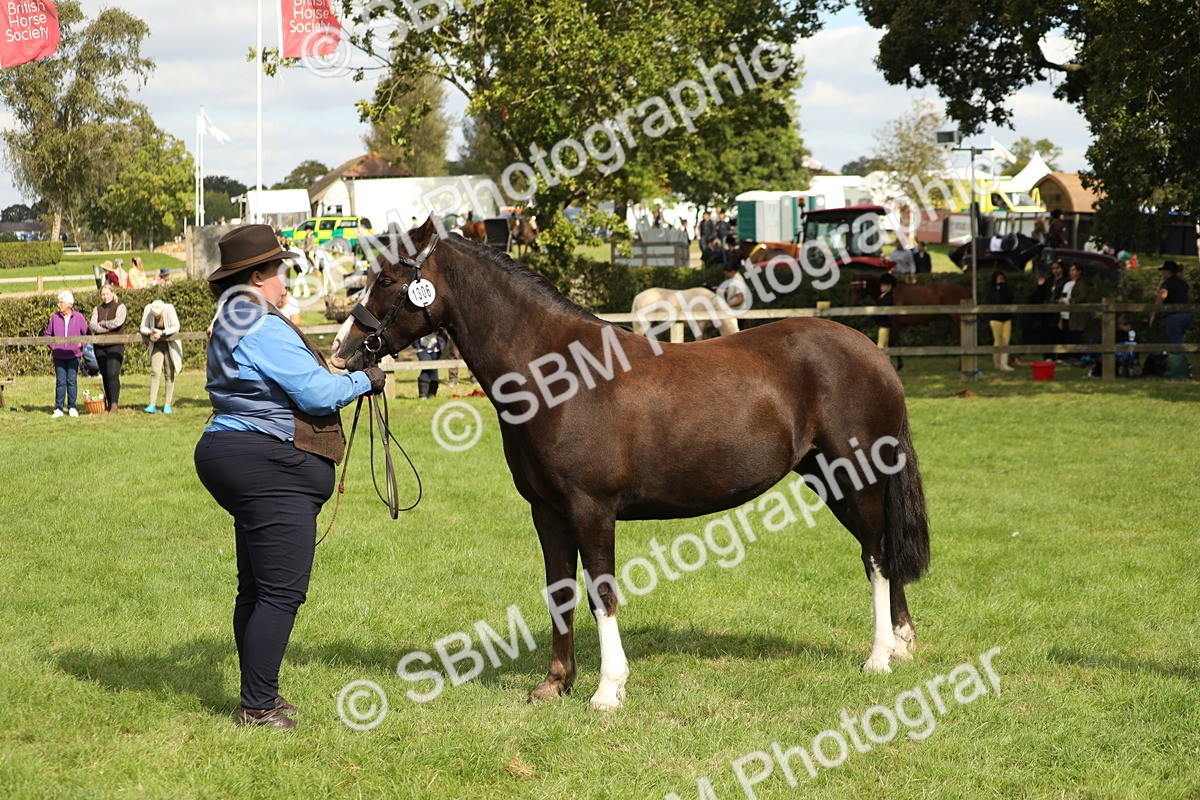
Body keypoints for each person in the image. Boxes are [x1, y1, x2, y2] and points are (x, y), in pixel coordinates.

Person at [194, 224, 385, 728]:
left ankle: (261, 695)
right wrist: (366, 379)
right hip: (266, 460)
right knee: (280, 593)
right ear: (257, 276)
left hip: (234, 450)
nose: (284, 281)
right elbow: (316, 395)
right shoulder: (260, 321)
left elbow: (303, 377)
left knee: (255, 589)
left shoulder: (232, 316)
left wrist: (341, 367)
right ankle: (257, 708)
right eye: (278, 270)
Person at [44, 290, 91, 418]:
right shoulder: (54, 317)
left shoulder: (79, 317)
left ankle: (72, 407)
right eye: (59, 302)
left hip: (74, 355)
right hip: (59, 355)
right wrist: (53, 346)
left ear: (69, 304)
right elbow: (48, 335)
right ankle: (58, 408)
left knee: (72, 381)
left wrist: (81, 344)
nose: (59, 305)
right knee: (60, 381)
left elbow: (87, 334)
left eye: (61, 302)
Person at [89, 285, 128, 412]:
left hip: (115, 344)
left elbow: (118, 322)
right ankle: (108, 402)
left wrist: (104, 324)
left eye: (107, 294)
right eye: (103, 294)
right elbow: (93, 325)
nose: (105, 297)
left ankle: (114, 404)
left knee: (112, 373)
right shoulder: (97, 309)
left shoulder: (120, 307)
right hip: (100, 346)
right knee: (105, 374)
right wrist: (105, 328)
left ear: (112, 293)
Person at [140, 299, 182, 414]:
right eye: (154, 315)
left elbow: (176, 326)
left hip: (170, 345)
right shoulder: (148, 310)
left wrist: (162, 333)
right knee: (155, 372)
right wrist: (150, 332)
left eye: (158, 315)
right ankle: (152, 403)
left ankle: (167, 405)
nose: (156, 316)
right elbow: (142, 327)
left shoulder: (169, 309)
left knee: (169, 373)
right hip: (156, 346)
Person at [1150, 261, 1193, 344]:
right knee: (1178, 338)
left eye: (1164, 271)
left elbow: (1162, 296)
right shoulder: (1183, 283)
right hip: (1187, 314)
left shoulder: (1167, 283)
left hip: (1173, 315)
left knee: (1175, 341)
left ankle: (1180, 356)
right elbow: (1191, 297)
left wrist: (1153, 313)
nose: (1162, 273)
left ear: (1168, 271)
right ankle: (1180, 355)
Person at [985, 270, 1015, 371]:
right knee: (997, 340)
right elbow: (993, 300)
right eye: (999, 279)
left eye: (1002, 279)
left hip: (1006, 318)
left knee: (1006, 340)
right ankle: (997, 363)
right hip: (995, 318)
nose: (1001, 281)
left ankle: (1004, 364)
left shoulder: (1007, 289)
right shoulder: (991, 290)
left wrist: (1003, 287)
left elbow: (1009, 298)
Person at [415, 329, 449, 399]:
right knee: (426, 367)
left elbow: (443, 333)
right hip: (422, 347)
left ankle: (432, 395)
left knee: (434, 369)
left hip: (436, 348)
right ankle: (423, 395)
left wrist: (441, 346)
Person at [876, 273, 896, 350]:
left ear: (889, 286)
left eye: (884, 285)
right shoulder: (883, 296)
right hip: (883, 323)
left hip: (885, 323)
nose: (881, 287)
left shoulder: (888, 297)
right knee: (884, 344)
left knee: (881, 344)